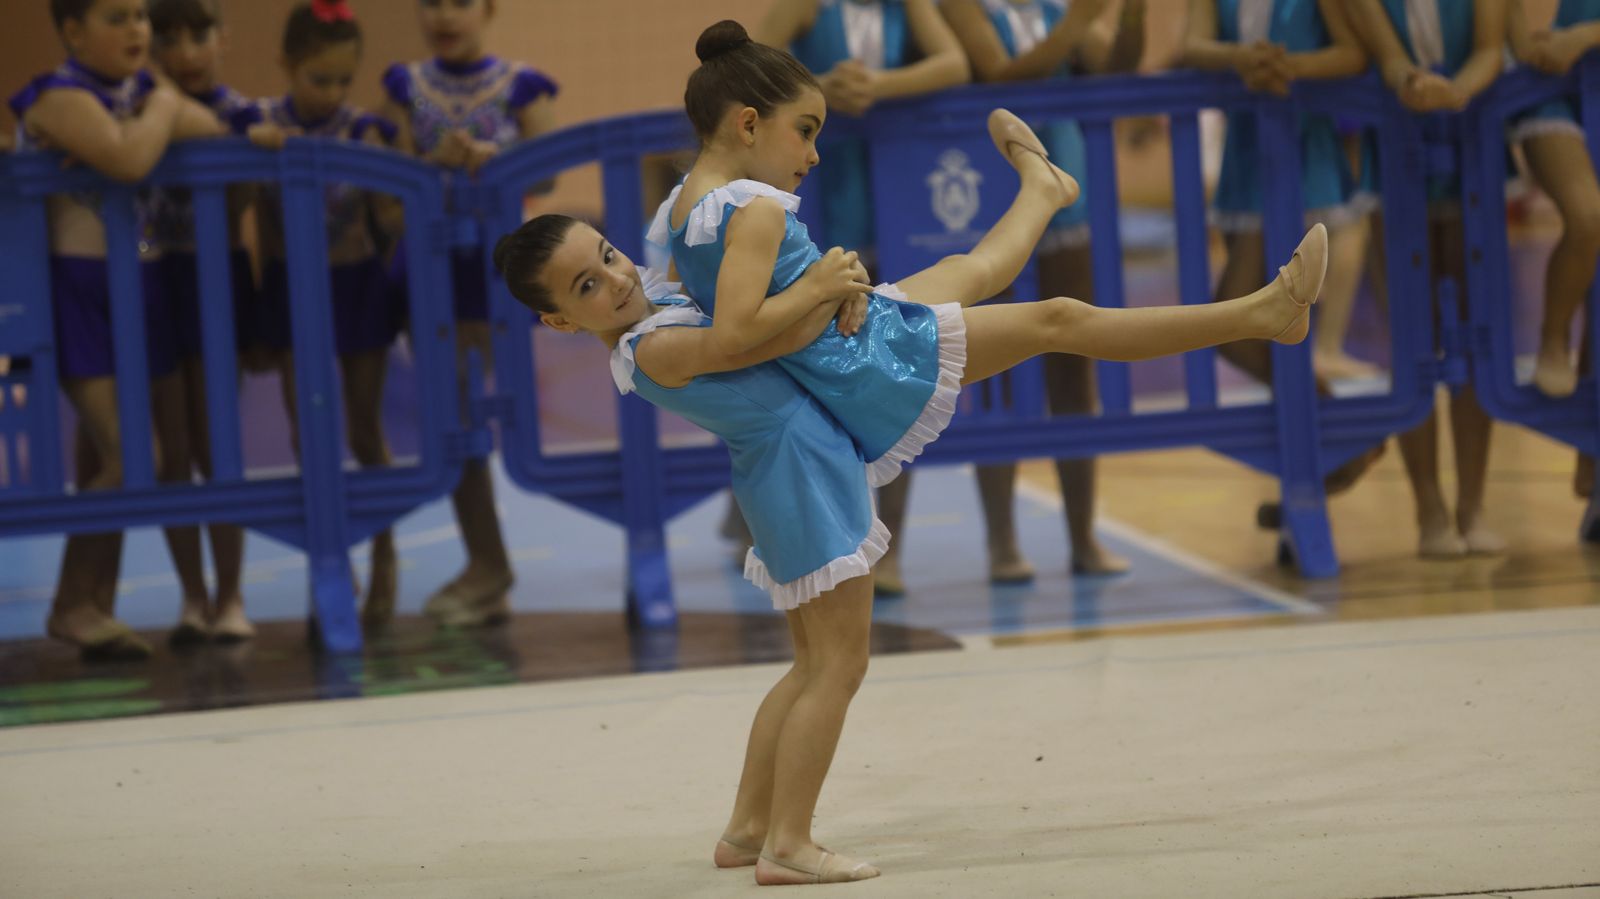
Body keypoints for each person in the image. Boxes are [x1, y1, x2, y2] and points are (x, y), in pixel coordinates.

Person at [496, 93, 1325, 882]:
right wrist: (824, 286)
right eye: (586, 287)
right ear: (562, 324)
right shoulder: (648, 351)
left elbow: (743, 303)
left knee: (809, 663)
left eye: (604, 254)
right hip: (803, 474)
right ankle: (789, 843)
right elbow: (742, 342)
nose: (614, 276)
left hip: (804, 450)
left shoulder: (655, 299)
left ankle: (749, 828)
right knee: (838, 667)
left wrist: (831, 291)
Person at [716, 0, 968, 583]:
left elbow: (954, 64)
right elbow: (745, 80)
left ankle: (890, 547)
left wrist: (880, 85)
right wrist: (819, 94)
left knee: (890, 359)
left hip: (892, 199)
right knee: (780, 366)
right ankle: (755, 519)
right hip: (810, 199)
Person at [11, 0, 226, 659]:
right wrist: (160, 110)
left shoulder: (130, 92)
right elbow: (129, 161)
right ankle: (72, 601)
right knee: (136, 455)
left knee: (127, 458)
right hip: (82, 288)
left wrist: (144, 117)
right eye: (115, 17)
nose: (137, 29)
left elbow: (213, 128)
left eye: (140, 15)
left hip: (144, 283)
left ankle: (94, 602)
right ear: (73, 32)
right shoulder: (56, 95)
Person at [914, 0, 1146, 591]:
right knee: (995, 372)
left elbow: (1115, 67)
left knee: (1075, 363)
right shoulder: (962, 7)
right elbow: (997, 72)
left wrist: (1133, 12)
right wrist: (1073, 27)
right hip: (989, 204)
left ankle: (1082, 535)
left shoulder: (1052, 7)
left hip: (1069, 190)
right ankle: (1002, 539)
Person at [377, 0, 559, 628]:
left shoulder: (521, 84)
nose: (444, 16)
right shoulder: (404, 86)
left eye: (459, 3)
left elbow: (552, 170)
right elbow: (392, 177)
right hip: (430, 276)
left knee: (486, 414)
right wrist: (437, 166)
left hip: (495, 271)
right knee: (453, 419)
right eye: (431, 4)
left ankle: (490, 565)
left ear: (488, 9)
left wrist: (495, 162)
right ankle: (487, 561)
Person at [237, 0, 404, 628]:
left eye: (343, 80)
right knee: (310, 434)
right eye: (318, 79)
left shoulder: (362, 130)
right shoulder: (261, 122)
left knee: (365, 430)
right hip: (286, 287)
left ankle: (386, 550)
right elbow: (240, 205)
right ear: (286, 63)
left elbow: (392, 209)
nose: (332, 93)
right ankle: (331, 556)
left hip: (355, 283)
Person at [1351, 0, 1509, 557]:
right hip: (1396, 154)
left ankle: (1473, 501)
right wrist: (1409, 81)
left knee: (1476, 333)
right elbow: (1384, 54)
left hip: (1473, 152)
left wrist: (1458, 89)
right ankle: (1428, 506)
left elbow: (1492, 48)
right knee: (1410, 336)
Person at [1180, 0, 1374, 381]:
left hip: (1303, 147)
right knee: (1257, 320)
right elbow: (1193, 46)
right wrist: (1240, 56)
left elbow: (1352, 53)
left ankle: (1320, 394)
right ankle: (1315, 415)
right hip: (1247, 153)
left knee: (1252, 318)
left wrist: (1291, 67)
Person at [147, 0, 258, 643]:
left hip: (219, 281)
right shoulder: (139, 106)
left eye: (198, 36)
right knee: (174, 448)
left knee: (220, 445)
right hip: (155, 274)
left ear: (223, 40)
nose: (185, 51)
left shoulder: (242, 113)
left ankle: (233, 594)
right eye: (170, 38)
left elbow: (246, 196)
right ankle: (192, 595)